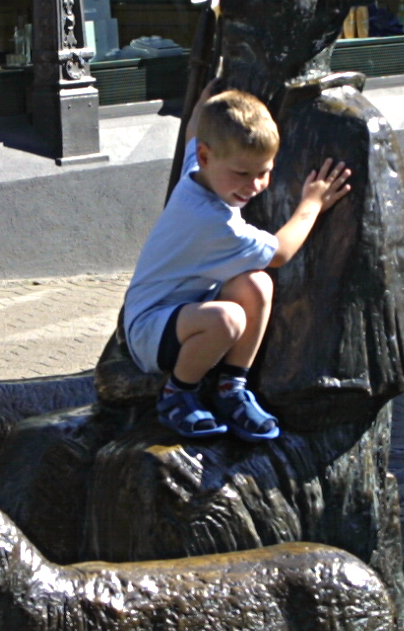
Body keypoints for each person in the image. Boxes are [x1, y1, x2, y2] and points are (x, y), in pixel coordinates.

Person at [122, 86, 353, 440]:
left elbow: (194, 131)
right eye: (242, 173)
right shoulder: (211, 220)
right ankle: (177, 394)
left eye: (264, 172)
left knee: (258, 284)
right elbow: (280, 253)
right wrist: (313, 203)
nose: (255, 184)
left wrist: (208, 93)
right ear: (206, 157)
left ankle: (232, 387)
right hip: (149, 331)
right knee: (228, 319)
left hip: (185, 310)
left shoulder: (198, 173)